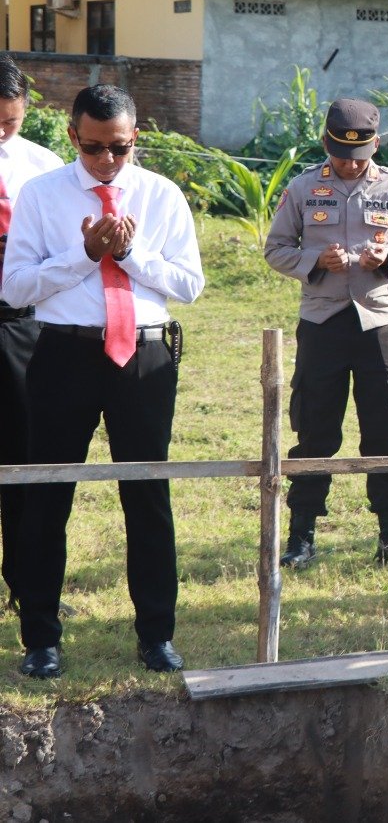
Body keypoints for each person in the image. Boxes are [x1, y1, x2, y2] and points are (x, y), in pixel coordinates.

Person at [1, 84, 204, 677]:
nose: (107, 161)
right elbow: (15, 288)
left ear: (135, 137)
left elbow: (189, 286)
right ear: (72, 137)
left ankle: (156, 635)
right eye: (93, 148)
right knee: (48, 493)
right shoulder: (42, 194)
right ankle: (40, 636)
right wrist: (85, 254)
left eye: (118, 148)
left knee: (146, 494)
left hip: (142, 357)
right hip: (65, 353)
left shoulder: (161, 194)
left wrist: (132, 253)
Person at [264, 98, 388, 571]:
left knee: (386, 430)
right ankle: (301, 537)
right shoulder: (304, 186)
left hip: (380, 323)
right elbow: (275, 249)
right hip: (323, 322)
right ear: (326, 143)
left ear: (374, 145)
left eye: (360, 154)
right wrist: (315, 262)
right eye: (341, 153)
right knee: (314, 431)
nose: (351, 164)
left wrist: (387, 260)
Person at [0, 55, 63, 613]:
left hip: (20, 325)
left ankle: (25, 584)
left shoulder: (46, 169)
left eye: (10, 122)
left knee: (23, 456)